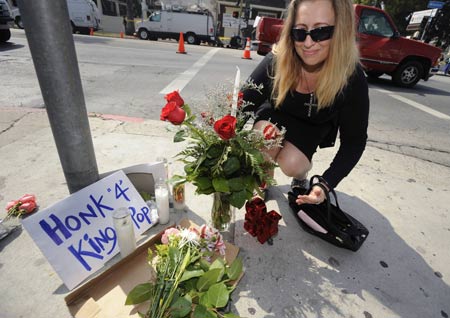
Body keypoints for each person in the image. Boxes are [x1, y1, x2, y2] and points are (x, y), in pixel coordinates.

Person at [242, 0, 369, 206]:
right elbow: (241, 106)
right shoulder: (277, 59)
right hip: (275, 114)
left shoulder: (351, 77)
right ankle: (263, 177)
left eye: (321, 31)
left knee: (292, 164)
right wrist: (222, 153)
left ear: (342, 31)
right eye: (300, 32)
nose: (308, 43)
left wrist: (325, 185)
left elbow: (354, 142)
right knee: (263, 141)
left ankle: (301, 175)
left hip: (312, 125)